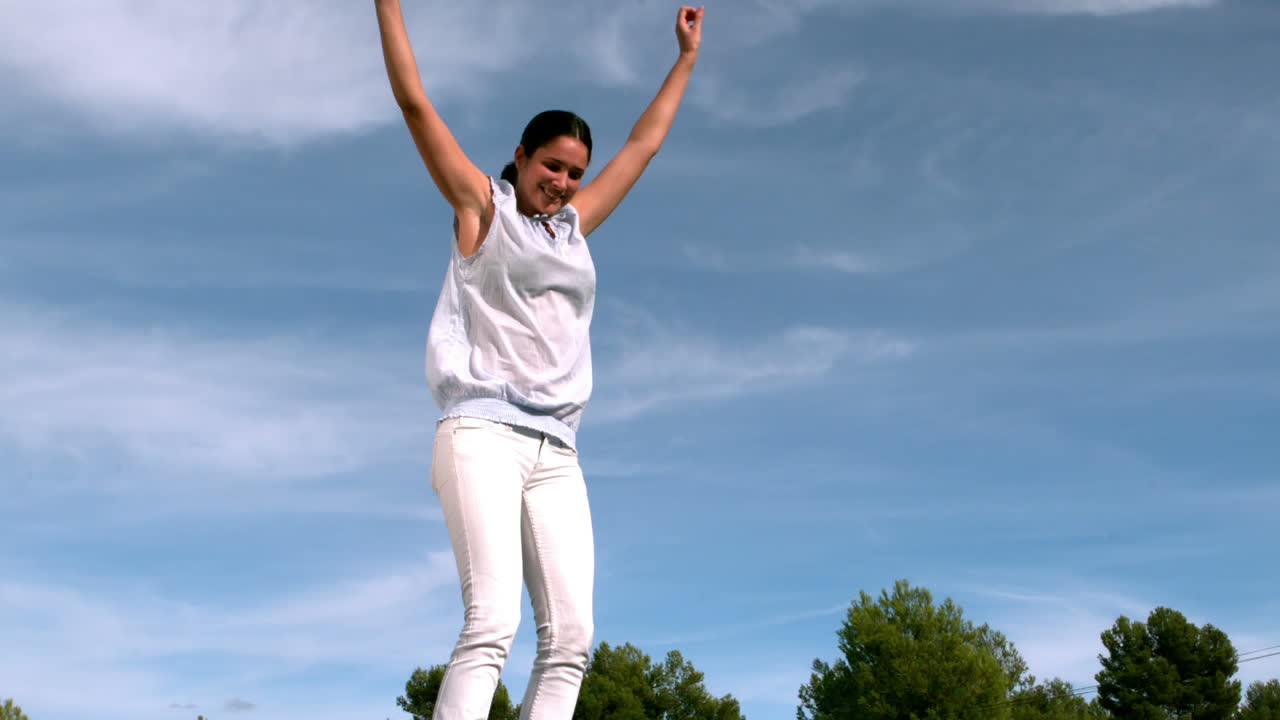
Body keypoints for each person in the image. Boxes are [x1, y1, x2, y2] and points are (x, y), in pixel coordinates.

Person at [374, 2, 705, 718]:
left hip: (557, 447)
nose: (562, 181)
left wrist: (683, 60)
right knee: (492, 621)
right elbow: (413, 102)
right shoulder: (482, 210)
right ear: (521, 157)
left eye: (575, 172)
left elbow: (643, 147)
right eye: (552, 165)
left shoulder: (573, 232)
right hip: (481, 433)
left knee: (571, 641)